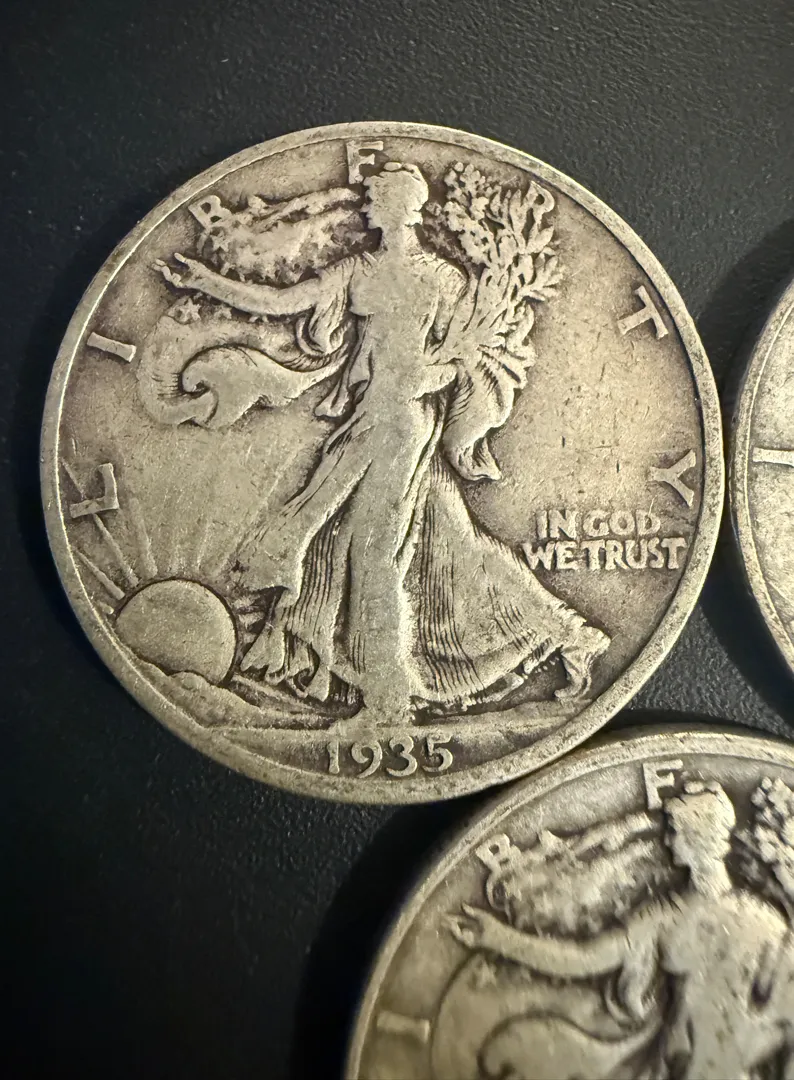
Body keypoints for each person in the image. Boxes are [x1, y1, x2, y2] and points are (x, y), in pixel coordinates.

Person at [157, 162, 608, 722]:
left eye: (376, 200)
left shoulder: (444, 279)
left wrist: (430, 376)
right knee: (446, 542)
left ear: (402, 207)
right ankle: (569, 634)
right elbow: (285, 301)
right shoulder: (358, 270)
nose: (367, 208)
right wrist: (206, 282)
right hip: (368, 417)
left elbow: (469, 356)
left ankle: (388, 700)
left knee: (374, 551)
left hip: (406, 423)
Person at [451, 780, 794, 1079]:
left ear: (698, 837)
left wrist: (496, 938)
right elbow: (584, 959)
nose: (669, 841)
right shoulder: (679, 917)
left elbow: (787, 1012)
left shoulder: (757, 922)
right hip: (680, 1067)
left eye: (675, 832)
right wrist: (497, 938)